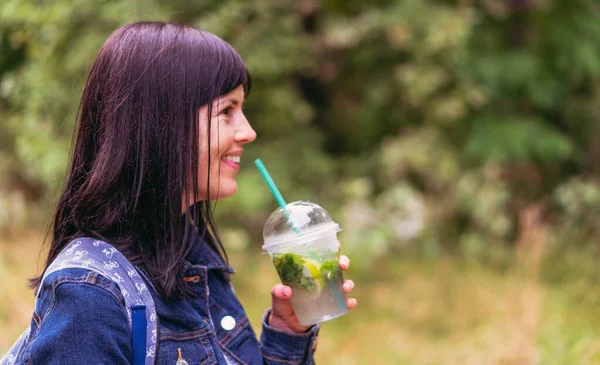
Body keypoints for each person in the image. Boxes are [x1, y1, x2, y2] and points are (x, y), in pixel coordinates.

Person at [10, 21, 356, 364]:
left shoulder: (192, 255)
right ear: (163, 124)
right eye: (227, 111)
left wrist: (288, 331)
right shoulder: (91, 295)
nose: (248, 132)